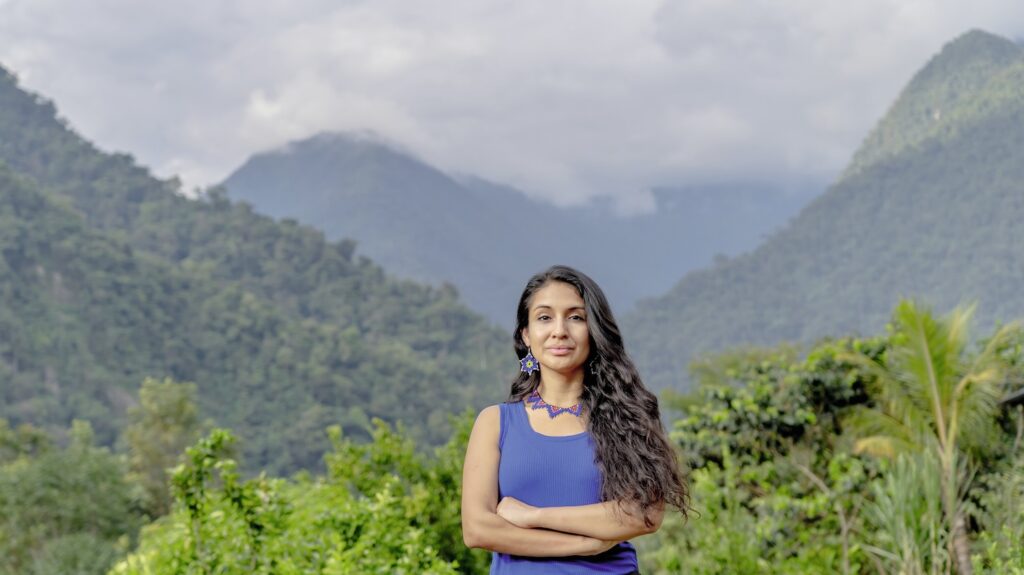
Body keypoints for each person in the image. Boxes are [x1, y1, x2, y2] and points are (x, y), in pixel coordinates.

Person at [461, 265, 689, 574]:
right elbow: (477, 529)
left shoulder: (626, 418)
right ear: (526, 335)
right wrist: (585, 543)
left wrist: (534, 516)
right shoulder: (495, 423)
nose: (559, 331)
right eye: (544, 317)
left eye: (575, 317)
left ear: (594, 331)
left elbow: (643, 513)